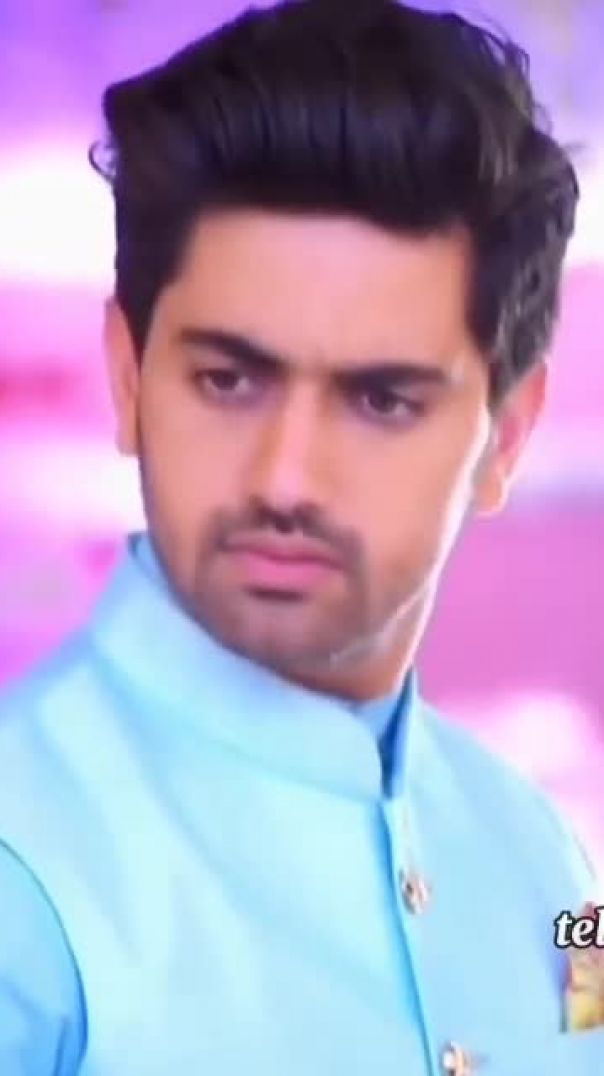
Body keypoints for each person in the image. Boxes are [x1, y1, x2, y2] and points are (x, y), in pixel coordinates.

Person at [0, 1, 602, 1072]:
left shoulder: (548, 866)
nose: (284, 478)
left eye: (381, 400)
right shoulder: (23, 874)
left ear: (506, 435)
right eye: (228, 379)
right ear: (128, 376)